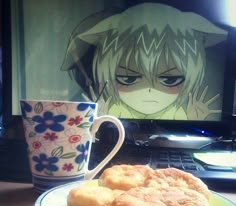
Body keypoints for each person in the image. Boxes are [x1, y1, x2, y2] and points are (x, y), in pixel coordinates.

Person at [61, 3, 227, 120]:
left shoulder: (179, 112)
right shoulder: (110, 107)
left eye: (169, 80)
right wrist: (100, 119)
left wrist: (194, 119)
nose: (148, 90)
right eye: (128, 79)